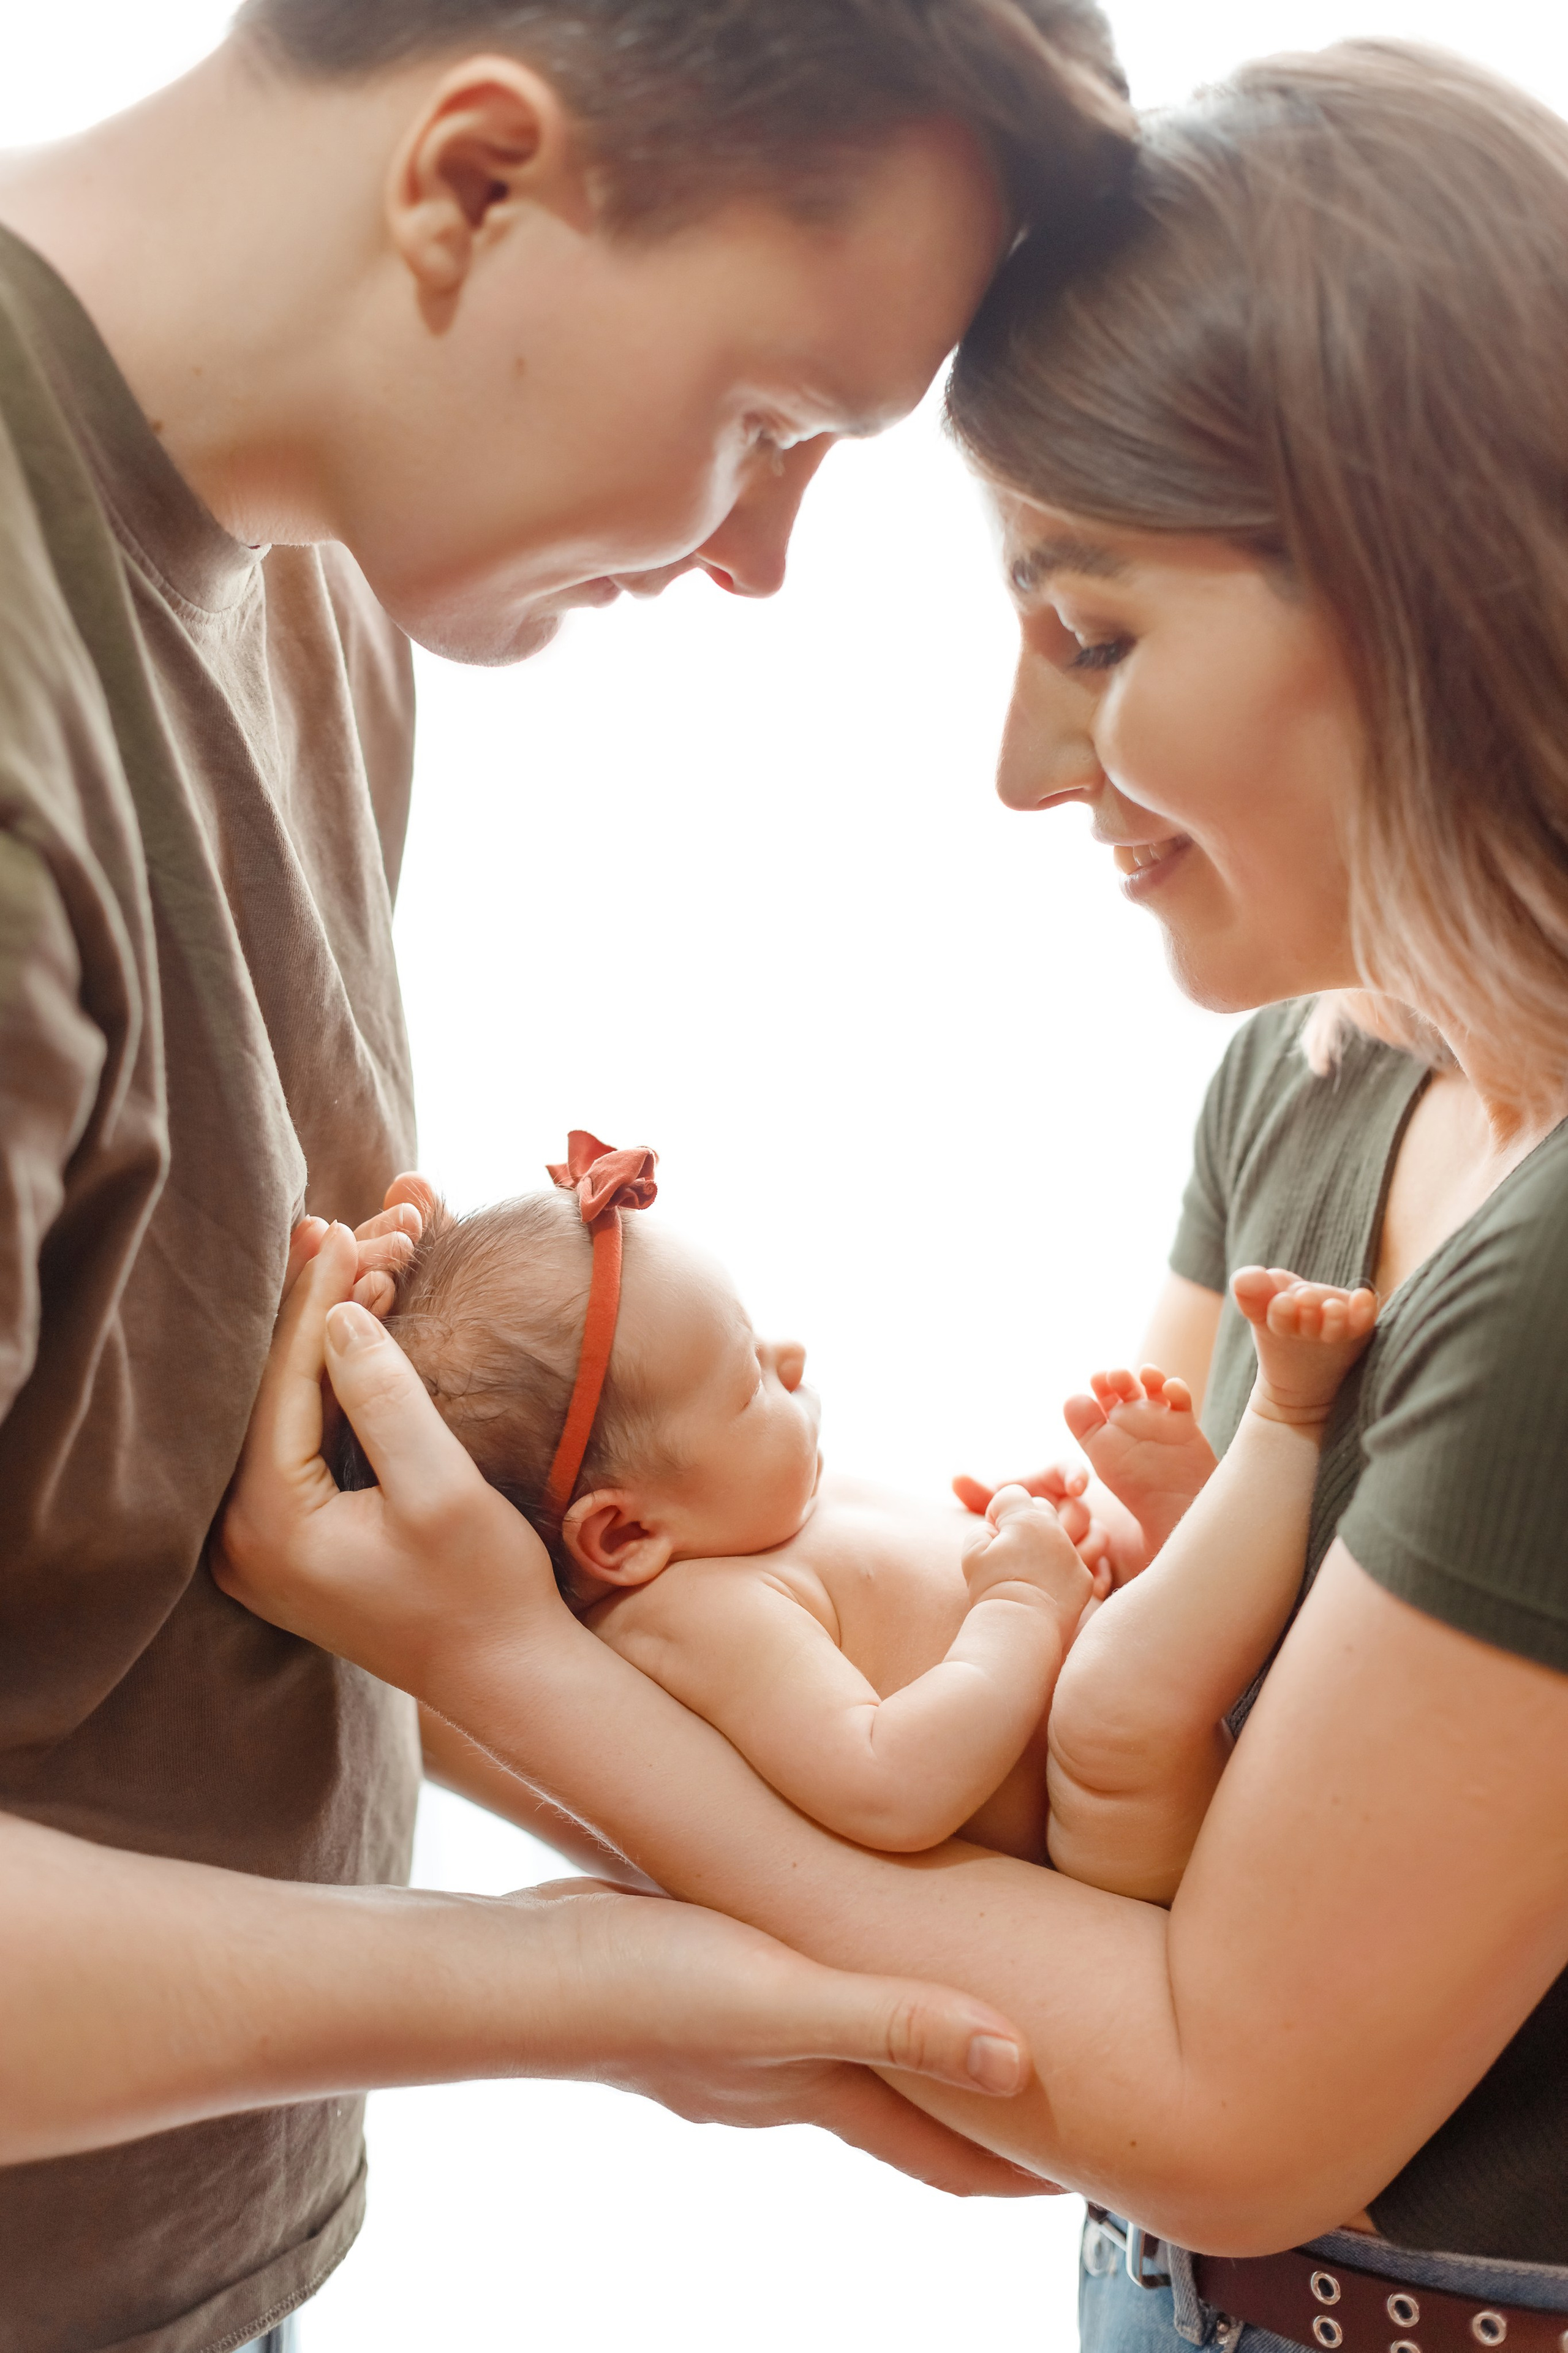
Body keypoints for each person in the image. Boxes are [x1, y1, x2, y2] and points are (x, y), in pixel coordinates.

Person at [218, 34, 1568, 2353]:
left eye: (1101, 634)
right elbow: (1055, 1842)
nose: (1024, 761)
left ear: (1424, 587)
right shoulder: (1304, 1089)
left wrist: (509, 1665)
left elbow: (1223, 2089)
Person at [0, 2, 1134, 2346]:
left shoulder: (305, 573)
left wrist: (713, 1821)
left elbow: (233, 1530)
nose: (757, 562)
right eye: (766, 427)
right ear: (475, 185)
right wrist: (577, 1987)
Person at [352, 1147, 1373, 1896]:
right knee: (1109, 1705)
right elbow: (890, 1780)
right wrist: (1018, 1603)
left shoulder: (753, 1516)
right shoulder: (697, 1617)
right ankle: (1287, 1421)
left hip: (1123, 1692)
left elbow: (912, 1597)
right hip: (1122, 1842)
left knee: (1122, 1629)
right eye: (750, 1378)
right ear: (624, 1536)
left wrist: (1036, 1537)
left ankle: (1178, 1546)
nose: (791, 1356)